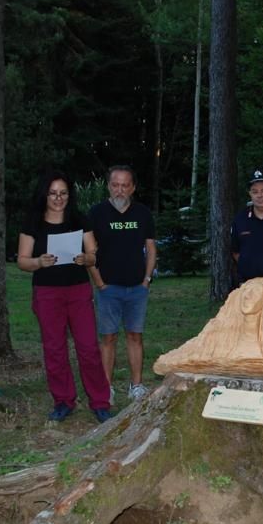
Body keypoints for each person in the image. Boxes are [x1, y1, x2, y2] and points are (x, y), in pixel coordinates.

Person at [17, 171, 113, 422]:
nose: (58, 198)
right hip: (47, 293)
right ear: (44, 195)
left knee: (88, 348)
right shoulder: (33, 223)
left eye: (63, 193)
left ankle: (100, 402)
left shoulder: (79, 219)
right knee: (54, 349)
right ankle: (63, 400)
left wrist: (86, 258)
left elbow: (95, 255)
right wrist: (38, 261)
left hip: (78, 290)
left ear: (70, 195)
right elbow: (22, 261)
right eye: (53, 193)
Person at [89, 165, 157, 401]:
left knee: (135, 336)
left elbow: (150, 248)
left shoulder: (143, 213)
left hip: (137, 288)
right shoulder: (97, 213)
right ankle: (106, 388)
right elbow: (89, 251)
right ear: (109, 186)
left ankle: (136, 386)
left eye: (125, 185)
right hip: (108, 289)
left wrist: (147, 280)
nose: (120, 190)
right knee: (108, 338)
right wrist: (99, 283)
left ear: (133, 188)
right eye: (115, 185)